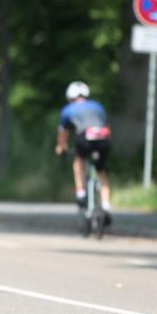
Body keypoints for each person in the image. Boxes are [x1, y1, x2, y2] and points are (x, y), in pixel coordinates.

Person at [55, 81, 112, 224]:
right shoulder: (98, 106)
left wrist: (61, 147)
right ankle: (106, 206)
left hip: (85, 137)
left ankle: (80, 193)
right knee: (101, 172)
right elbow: (104, 123)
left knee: (79, 161)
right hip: (103, 138)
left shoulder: (68, 109)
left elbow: (63, 133)